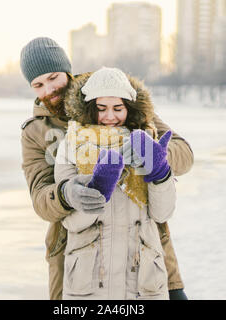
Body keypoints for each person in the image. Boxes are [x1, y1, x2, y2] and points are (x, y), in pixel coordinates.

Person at [19, 37, 194, 300]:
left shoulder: (114, 95)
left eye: (54, 77)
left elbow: (184, 153)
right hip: (77, 252)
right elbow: (41, 198)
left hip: (143, 247)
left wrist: (154, 156)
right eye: (38, 85)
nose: (49, 89)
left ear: (67, 69)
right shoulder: (36, 132)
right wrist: (67, 193)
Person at [54, 67, 177, 299]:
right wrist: (98, 188)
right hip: (89, 284)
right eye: (101, 109)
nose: (110, 116)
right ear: (90, 109)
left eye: (117, 108)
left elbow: (162, 214)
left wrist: (160, 173)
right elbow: (71, 222)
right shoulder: (70, 146)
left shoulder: (144, 141)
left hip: (142, 284)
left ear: (129, 108)